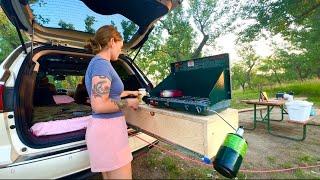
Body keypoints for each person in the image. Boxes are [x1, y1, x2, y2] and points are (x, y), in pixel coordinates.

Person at [84, 25, 140, 179]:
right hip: (109, 133)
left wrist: (128, 93)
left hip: (103, 130)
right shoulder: (102, 64)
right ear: (111, 42)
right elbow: (100, 105)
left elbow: (108, 94)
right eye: (120, 47)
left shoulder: (98, 63)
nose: (120, 52)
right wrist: (128, 103)